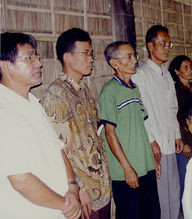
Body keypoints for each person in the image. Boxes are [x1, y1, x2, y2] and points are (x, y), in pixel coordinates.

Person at [0, 32, 81, 219]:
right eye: (29, 57)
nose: (39, 63)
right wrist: (66, 205)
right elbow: (21, 181)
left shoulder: (33, 103)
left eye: (36, 56)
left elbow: (58, 148)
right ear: (5, 65)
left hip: (59, 208)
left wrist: (72, 187)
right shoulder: (4, 111)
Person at [42, 28, 111, 219]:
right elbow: (60, 148)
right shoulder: (57, 93)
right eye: (85, 53)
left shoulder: (84, 90)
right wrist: (78, 187)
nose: (91, 59)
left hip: (101, 187)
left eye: (91, 54)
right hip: (84, 193)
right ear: (68, 57)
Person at [99, 41, 161, 219]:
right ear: (114, 63)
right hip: (126, 171)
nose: (135, 60)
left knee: (151, 213)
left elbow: (141, 126)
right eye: (129, 56)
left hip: (145, 166)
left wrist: (152, 160)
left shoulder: (135, 89)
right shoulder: (109, 92)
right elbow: (109, 134)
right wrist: (127, 168)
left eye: (134, 55)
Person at [132, 25, 184, 219]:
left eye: (168, 44)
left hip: (170, 139)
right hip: (155, 144)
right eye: (162, 44)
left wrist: (178, 134)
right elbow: (141, 110)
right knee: (160, 195)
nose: (167, 48)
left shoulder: (167, 74)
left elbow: (173, 108)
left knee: (174, 190)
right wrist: (151, 140)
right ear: (150, 46)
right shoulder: (141, 74)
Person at [168, 55, 192, 211]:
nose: (190, 70)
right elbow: (178, 118)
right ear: (177, 72)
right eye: (185, 68)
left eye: (191, 66)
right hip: (185, 142)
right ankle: (184, 209)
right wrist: (185, 142)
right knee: (185, 176)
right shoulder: (176, 90)